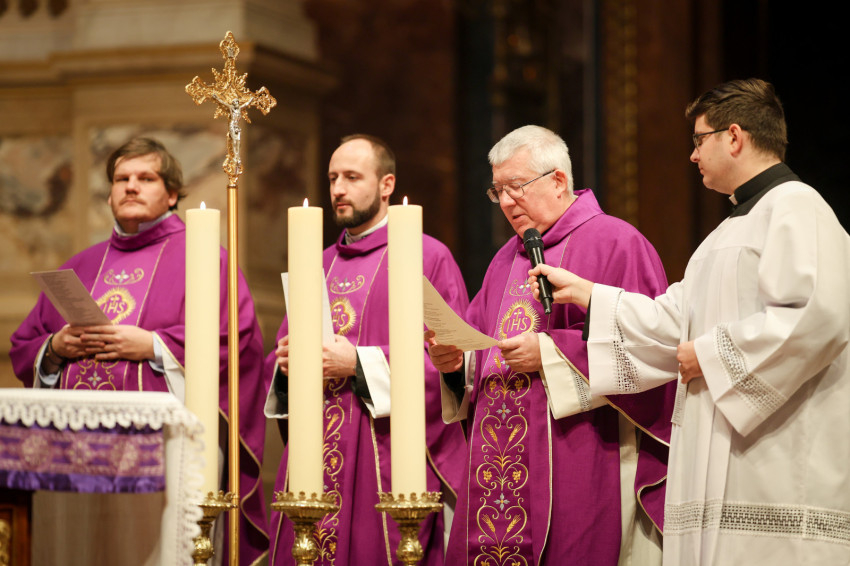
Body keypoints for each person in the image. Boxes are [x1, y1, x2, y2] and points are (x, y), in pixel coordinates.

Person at [528, 78, 850, 564]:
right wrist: (588, 295)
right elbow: (674, 320)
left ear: (734, 136)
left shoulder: (797, 208)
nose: (692, 155)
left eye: (699, 140)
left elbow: (817, 317)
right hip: (723, 454)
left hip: (776, 465)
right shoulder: (726, 232)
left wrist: (710, 355)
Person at [9, 137, 270, 565]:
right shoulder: (80, 265)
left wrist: (151, 344)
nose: (131, 186)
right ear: (109, 193)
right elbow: (25, 344)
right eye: (121, 179)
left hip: (165, 448)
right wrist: (55, 348)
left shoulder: (206, 258)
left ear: (172, 194)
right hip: (74, 450)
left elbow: (233, 338)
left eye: (146, 178)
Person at [427, 125, 673, 565]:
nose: (506, 202)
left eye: (516, 186)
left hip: (584, 456)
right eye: (498, 191)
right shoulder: (505, 259)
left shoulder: (617, 242)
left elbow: (651, 350)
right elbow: (482, 346)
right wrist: (455, 365)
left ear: (558, 181)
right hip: (497, 473)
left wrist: (550, 353)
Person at [265, 134, 469, 565]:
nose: (338, 189)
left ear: (386, 184)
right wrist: (285, 366)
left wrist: (357, 362)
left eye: (352, 177)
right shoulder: (316, 261)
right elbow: (285, 357)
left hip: (384, 457)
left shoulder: (428, 257)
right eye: (332, 178)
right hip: (314, 456)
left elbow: (451, 363)